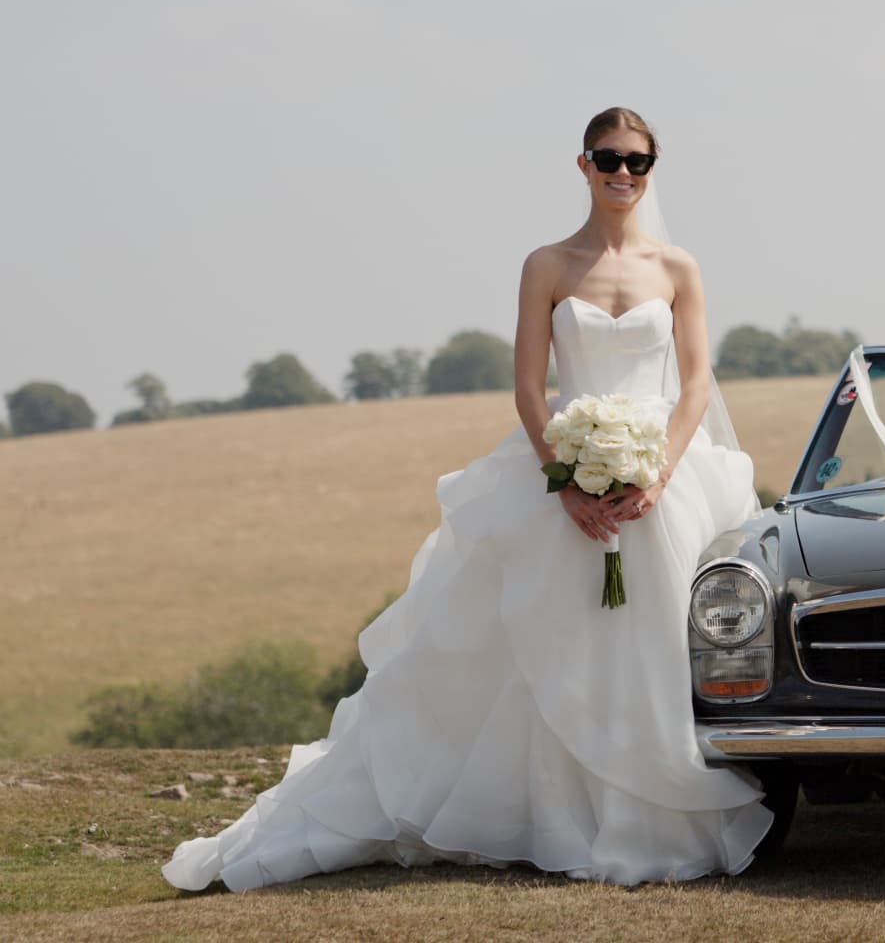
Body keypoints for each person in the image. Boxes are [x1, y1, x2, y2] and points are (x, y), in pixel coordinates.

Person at [163, 108, 772, 891]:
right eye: (608, 158)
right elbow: (527, 386)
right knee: (547, 637)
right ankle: (549, 814)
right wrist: (565, 482)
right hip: (563, 468)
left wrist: (655, 474)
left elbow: (693, 385)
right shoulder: (547, 264)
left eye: (638, 162)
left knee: (652, 636)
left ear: (653, 168)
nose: (624, 174)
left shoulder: (678, 268)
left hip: (662, 476)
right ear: (582, 165)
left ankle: (650, 809)